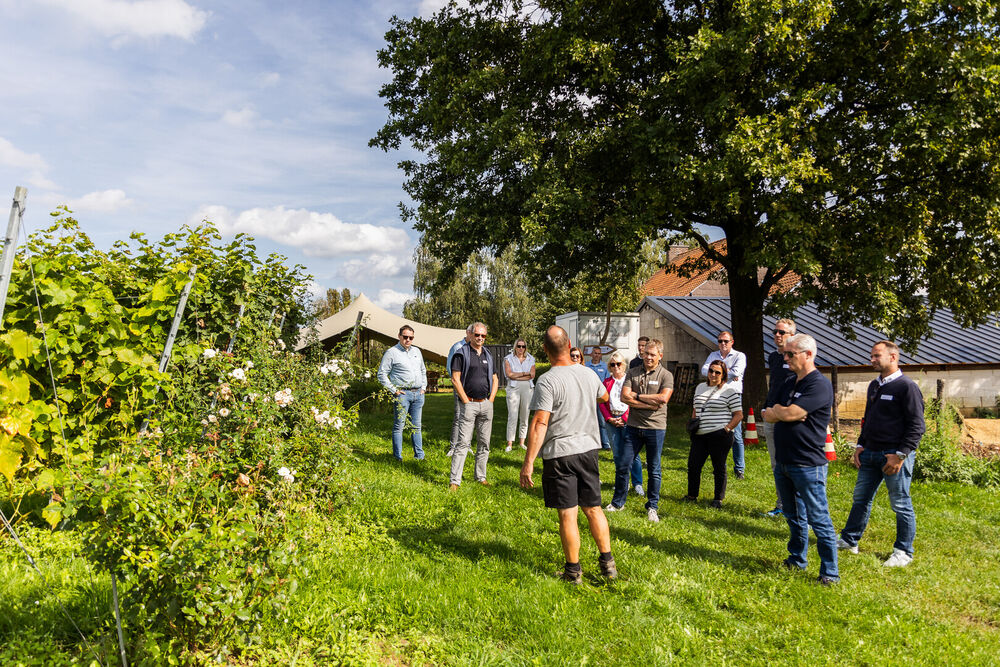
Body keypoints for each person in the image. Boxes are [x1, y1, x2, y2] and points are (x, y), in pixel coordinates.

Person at [520, 325, 616, 583]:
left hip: (561, 454)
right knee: (594, 508)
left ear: (544, 350)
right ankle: (608, 564)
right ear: (569, 343)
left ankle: (573, 571)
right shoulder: (587, 374)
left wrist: (528, 462)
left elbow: (540, 422)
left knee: (568, 514)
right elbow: (605, 397)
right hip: (589, 450)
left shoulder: (548, 380)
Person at [838, 340, 925, 567]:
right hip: (870, 453)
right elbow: (868, 419)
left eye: (877, 356)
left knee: (900, 503)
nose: (872, 360)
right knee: (861, 499)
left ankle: (903, 551)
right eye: (872, 355)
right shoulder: (874, 386)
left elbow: (917, 426)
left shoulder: (907, 387)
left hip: (893, 456)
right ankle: (849, 540)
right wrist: (860, 445)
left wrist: (901, 455)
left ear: (893, 357)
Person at [762, 334, 839, 585]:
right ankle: (797, 559)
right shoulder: (788, 382)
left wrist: (786, 413)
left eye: (790, 354)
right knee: (793, 516)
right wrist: (783, 414)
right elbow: (768, 411)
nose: (785, 358)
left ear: (808, 355)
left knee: (818, 518)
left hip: (807, 464)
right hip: (784, 460)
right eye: (784, 354)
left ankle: (830, 573)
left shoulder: (818, 384)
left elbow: (792, 412)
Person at [606, 338, 674, 522]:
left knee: (654, 469)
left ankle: (652, 506)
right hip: (634, 427)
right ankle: (618, 503)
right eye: (646, 354)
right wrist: (647, 404)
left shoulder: (666, 375)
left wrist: (637, 396)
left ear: (660, 355)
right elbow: (624, 397)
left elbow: (662, 399)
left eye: (652, 354)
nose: (648, 357)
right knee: (622, 465)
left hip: (655, 428)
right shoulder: (633, 372)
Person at [685, 360, 743, 508]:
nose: (713, 374)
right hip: (700, 434)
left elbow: (738, 415)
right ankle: (692, 495)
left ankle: (718, 499)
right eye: (711, 370)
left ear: (723, 375)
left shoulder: (729, 391)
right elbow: (695, 408)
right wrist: (693, 423)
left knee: (719, 467)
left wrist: (727, 429)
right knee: (693, 465)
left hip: (720, 435)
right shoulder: (700, 387)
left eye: (718, 372)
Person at [449, 322, 498, 489]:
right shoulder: (461, 353)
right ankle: (455, 481)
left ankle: (480, 477)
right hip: (468, 404)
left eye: (483, 336)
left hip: (485, 404)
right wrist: (465, 400)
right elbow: (455, 379)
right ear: (471, 334)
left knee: (484, 444)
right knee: (463, 443)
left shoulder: (488, 354)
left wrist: (490, 400)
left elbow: (495, 378)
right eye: (477, 335)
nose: (480, 338)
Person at [761, 319, 797, 517]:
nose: (777, 335)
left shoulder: (797, 358)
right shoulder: (774, 357)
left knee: (792, 463)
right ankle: (781, 504)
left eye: (782, 332)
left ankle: (796, 507)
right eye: (775, 331)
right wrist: (766, 407)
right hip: (771, 415)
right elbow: (774, 385)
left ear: (792, 335)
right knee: (776, 463)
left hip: (789, 417)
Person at [701, 331, 747, 479]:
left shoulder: (739, 356)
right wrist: (728, 373)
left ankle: (739, 469)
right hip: (716, 395)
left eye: (726, 341)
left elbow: (737, 372)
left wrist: (716, 373)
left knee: (736, 434)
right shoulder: (713, 355)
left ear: (732, 342)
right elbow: (704, 370)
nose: (723, 344)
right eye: (720, 341)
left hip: (733, 396)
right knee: (717, 432)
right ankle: (720, 466)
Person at [377, 325, 427, 461]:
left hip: (418, 394)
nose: (408, 340)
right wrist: (394, 390)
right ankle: (397, 457)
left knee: (416, 426)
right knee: (399, 426)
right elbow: (381, 374)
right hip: (402, 395)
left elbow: (423, 370)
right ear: (399, 336)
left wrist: (423, 387)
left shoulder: (417, 351)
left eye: (411, 338)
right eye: (405, 337)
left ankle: (419, 457)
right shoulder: (391, 353)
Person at [600, 351, 643, 498]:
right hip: (612, 420)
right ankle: (621, 482)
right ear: (610, 367)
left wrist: (624, 418)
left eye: (618, 364)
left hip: (628, 419)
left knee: (633, 453)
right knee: (617, 453)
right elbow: (601, 403)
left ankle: (637, 483)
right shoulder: (606, 382)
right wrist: (609, 418)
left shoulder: (630, 381)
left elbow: (633, 402)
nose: (616, 367)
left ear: (623, 365)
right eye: (613, 364)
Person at [446, 325, 474, 456]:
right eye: (474, 333)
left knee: (470, 417)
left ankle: (466, 445)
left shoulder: (475, 348)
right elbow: (450, 367)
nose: (476, 336)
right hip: (460, 386)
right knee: (459, 416)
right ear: (468, 332)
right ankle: (454, 446)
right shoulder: (457, 347)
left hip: (473, 388)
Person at [503, 338, 536, 452]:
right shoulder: (508, 359)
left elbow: (532, 375)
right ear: (515, 347)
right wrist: (524, 373)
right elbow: (509, 374)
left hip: (528, 388)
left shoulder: (531, 359)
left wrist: (519, 374)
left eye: (523, 346)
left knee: (525, 416)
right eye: (519, 346)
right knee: (512, 415)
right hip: (513, 388)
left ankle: (522, 442)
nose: (521, 349)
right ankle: (510, 443)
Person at [585, 346, 611, 449]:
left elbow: (607, 381)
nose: (597, 355)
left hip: (600, 398)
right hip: (588, 398)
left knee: (602, 421)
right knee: (589, 420)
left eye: (599, 353)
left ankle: (606, 443)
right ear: (591, 354)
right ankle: (591, 443)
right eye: (595, 353)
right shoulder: (586, 366)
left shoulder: (604, 366)